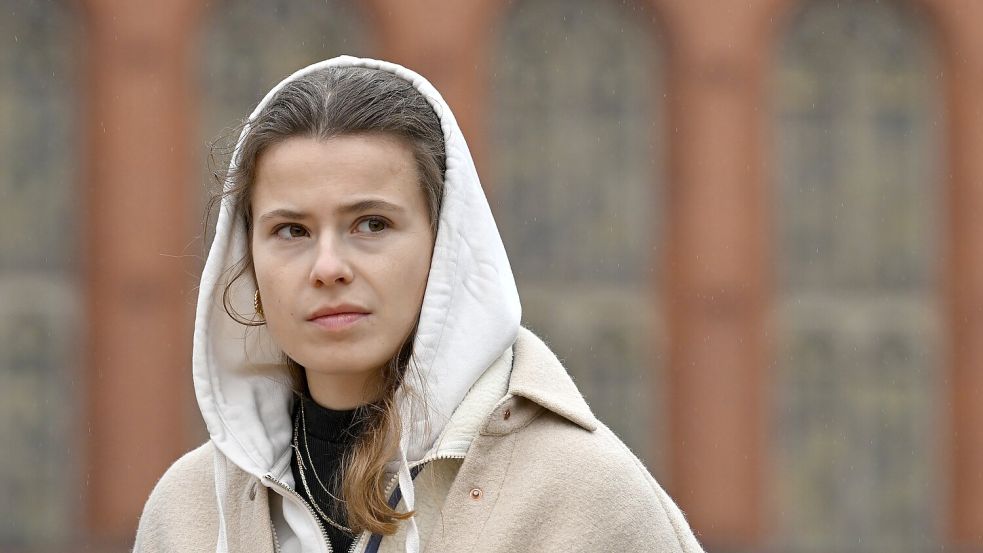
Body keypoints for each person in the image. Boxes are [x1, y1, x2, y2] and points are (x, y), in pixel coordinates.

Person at [133, 56, 704, 553]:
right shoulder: (188, 514)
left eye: (371, 224)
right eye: (291, 231)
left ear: (446, 247)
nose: (328, 266)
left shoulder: (580, 498)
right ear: (249, 260)